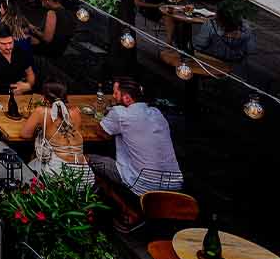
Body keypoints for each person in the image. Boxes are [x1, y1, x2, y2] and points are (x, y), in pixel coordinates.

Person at [88, 78, 184, 231]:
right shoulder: (156, 113)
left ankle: (129, 212)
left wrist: (109, 115)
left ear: (127, 98)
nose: (113, 97)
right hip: (173, 181)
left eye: (116, 93)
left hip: (144, 181)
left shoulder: (120, 113)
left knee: (86, 160)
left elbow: (102, 132)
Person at [19, 82, 94, 186]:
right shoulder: (76, 112)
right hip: (84, 177)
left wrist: (41, 130)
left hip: (60, 177)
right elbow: (68, 133)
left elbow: (25, 134)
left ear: (45, 98)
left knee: (27, 169)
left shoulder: (42, 112)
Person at [0, 22, 35, 96]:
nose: (8, 47)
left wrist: (28, 86)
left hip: (18, 94)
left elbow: (30, 74)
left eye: (10, 42)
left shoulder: (20, 51)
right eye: (3, 44)